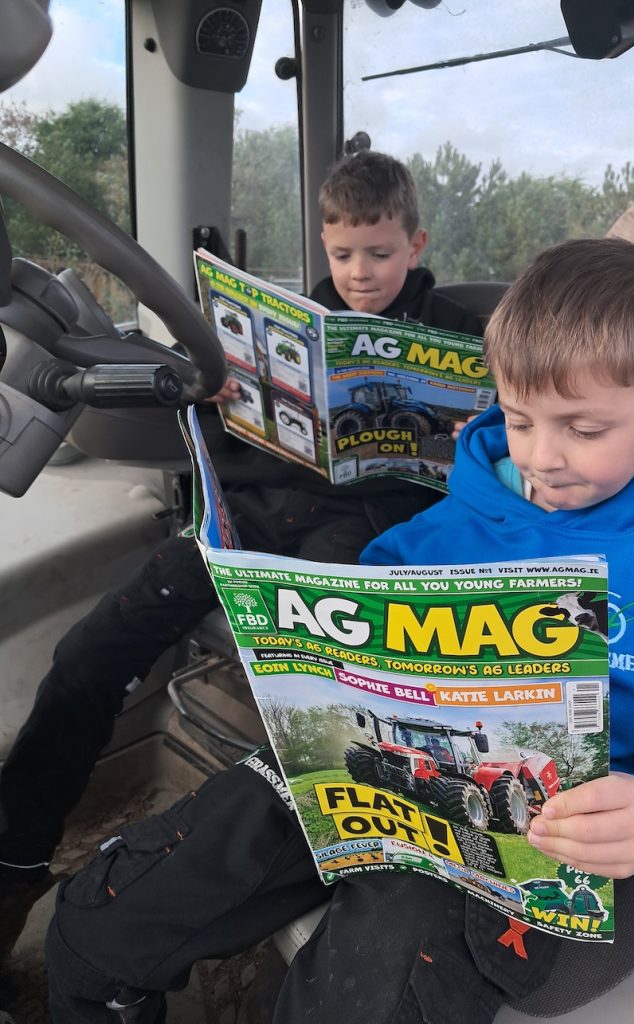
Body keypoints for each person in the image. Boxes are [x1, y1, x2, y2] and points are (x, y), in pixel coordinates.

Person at [43, 237, 634, 1023]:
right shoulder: (464, 510)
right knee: (100, 922)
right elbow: (381, 586)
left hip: (528, 841)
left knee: (374, 990)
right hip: (354, 774)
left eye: (584, 429)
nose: (543, 458)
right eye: (520, 420)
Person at [0, 149, 482, 958]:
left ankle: (270, 866)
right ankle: (14, 859)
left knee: (311, 695)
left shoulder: (461, 337)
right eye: (342, 254)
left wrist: (481, 439)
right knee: (90, 651)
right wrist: (225, 395)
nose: (359, 273)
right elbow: (231, 427)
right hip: (249, 516)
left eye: (380, 253)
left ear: (417, 242)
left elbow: (512, 447)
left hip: (360, 535)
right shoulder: (287, 325)